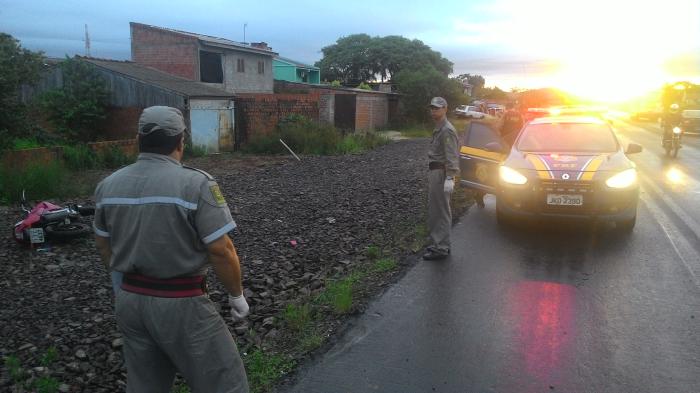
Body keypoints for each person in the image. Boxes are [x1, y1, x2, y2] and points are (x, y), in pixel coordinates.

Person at [93, 106, 250, 393]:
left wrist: (124, 287)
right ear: (181, 141)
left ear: (138, 139)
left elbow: (104, 244)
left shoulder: (108, 185)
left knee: (145, 385)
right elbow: (221, 250)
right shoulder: (196, 184)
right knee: (226, 383)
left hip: (130, 302)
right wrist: (236, 296)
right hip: (182, 302)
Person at [424, 97, 460, 261]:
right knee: (435, 210)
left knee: (441, 211)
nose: (434, 111)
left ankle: (441, 248)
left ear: (445, 109)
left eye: (437, 108)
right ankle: (438, 243)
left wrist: (450, 178)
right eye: (432, 108)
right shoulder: (439, 127)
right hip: (436, 172)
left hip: (441, 173)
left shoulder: (447, 130)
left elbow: (452, 155)